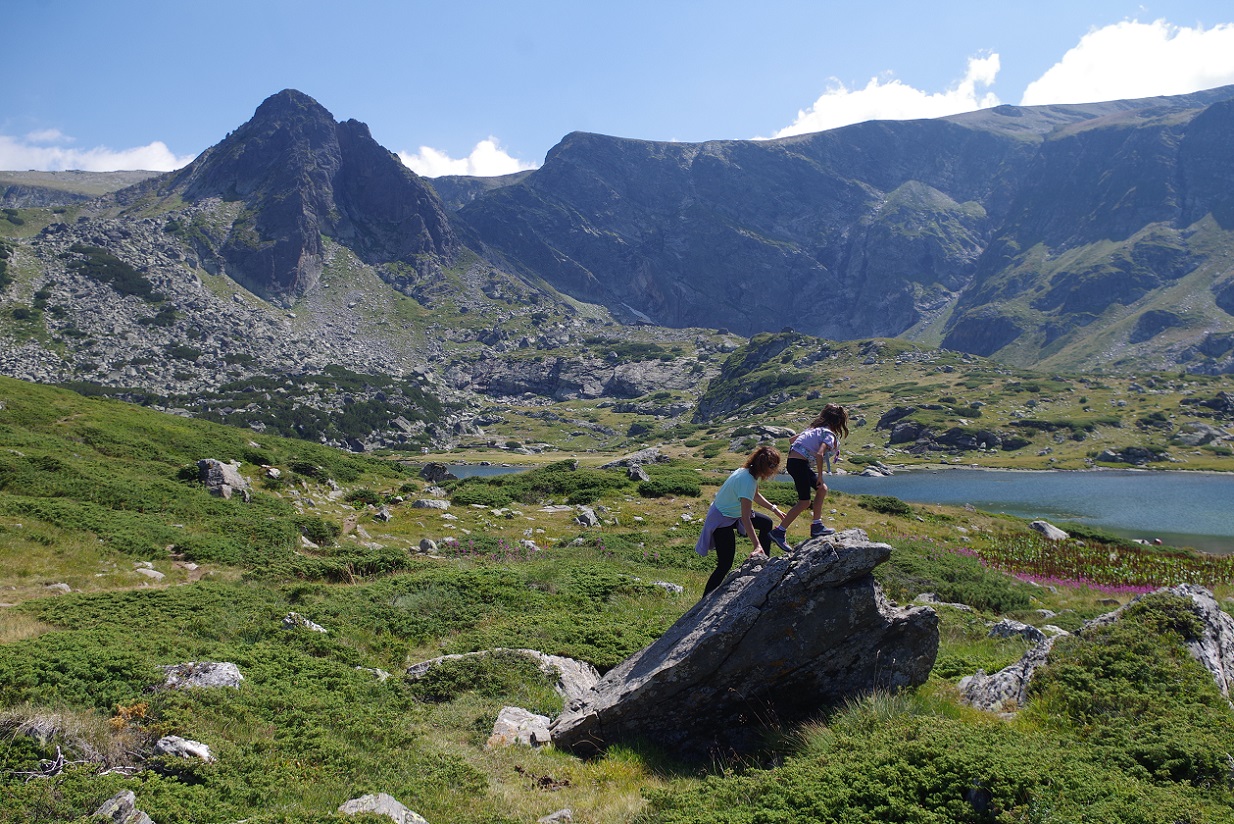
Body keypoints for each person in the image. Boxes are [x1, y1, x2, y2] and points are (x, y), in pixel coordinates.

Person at [695, 444, 786, 597]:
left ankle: (764, 563)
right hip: (721, 519)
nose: (775, 470)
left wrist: (774, 509)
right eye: (773, 466)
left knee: (766, 523)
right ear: (763, 465)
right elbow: (745, 517)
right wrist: (756, 545)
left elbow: (755, 495)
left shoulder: (749, 473)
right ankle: (703, 602)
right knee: (725, 564)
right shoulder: (747, 480)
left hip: (733, 514)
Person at [769, 403, 850, 551]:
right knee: (805, 502)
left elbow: (792, 440)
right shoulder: (828, 434)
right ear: (838, 423)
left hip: (795, 462)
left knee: (822, 489)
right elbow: (819, 454)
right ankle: (779, 532)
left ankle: (816, 525)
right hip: (799, 464)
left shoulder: (813, 430)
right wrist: (820, 476)